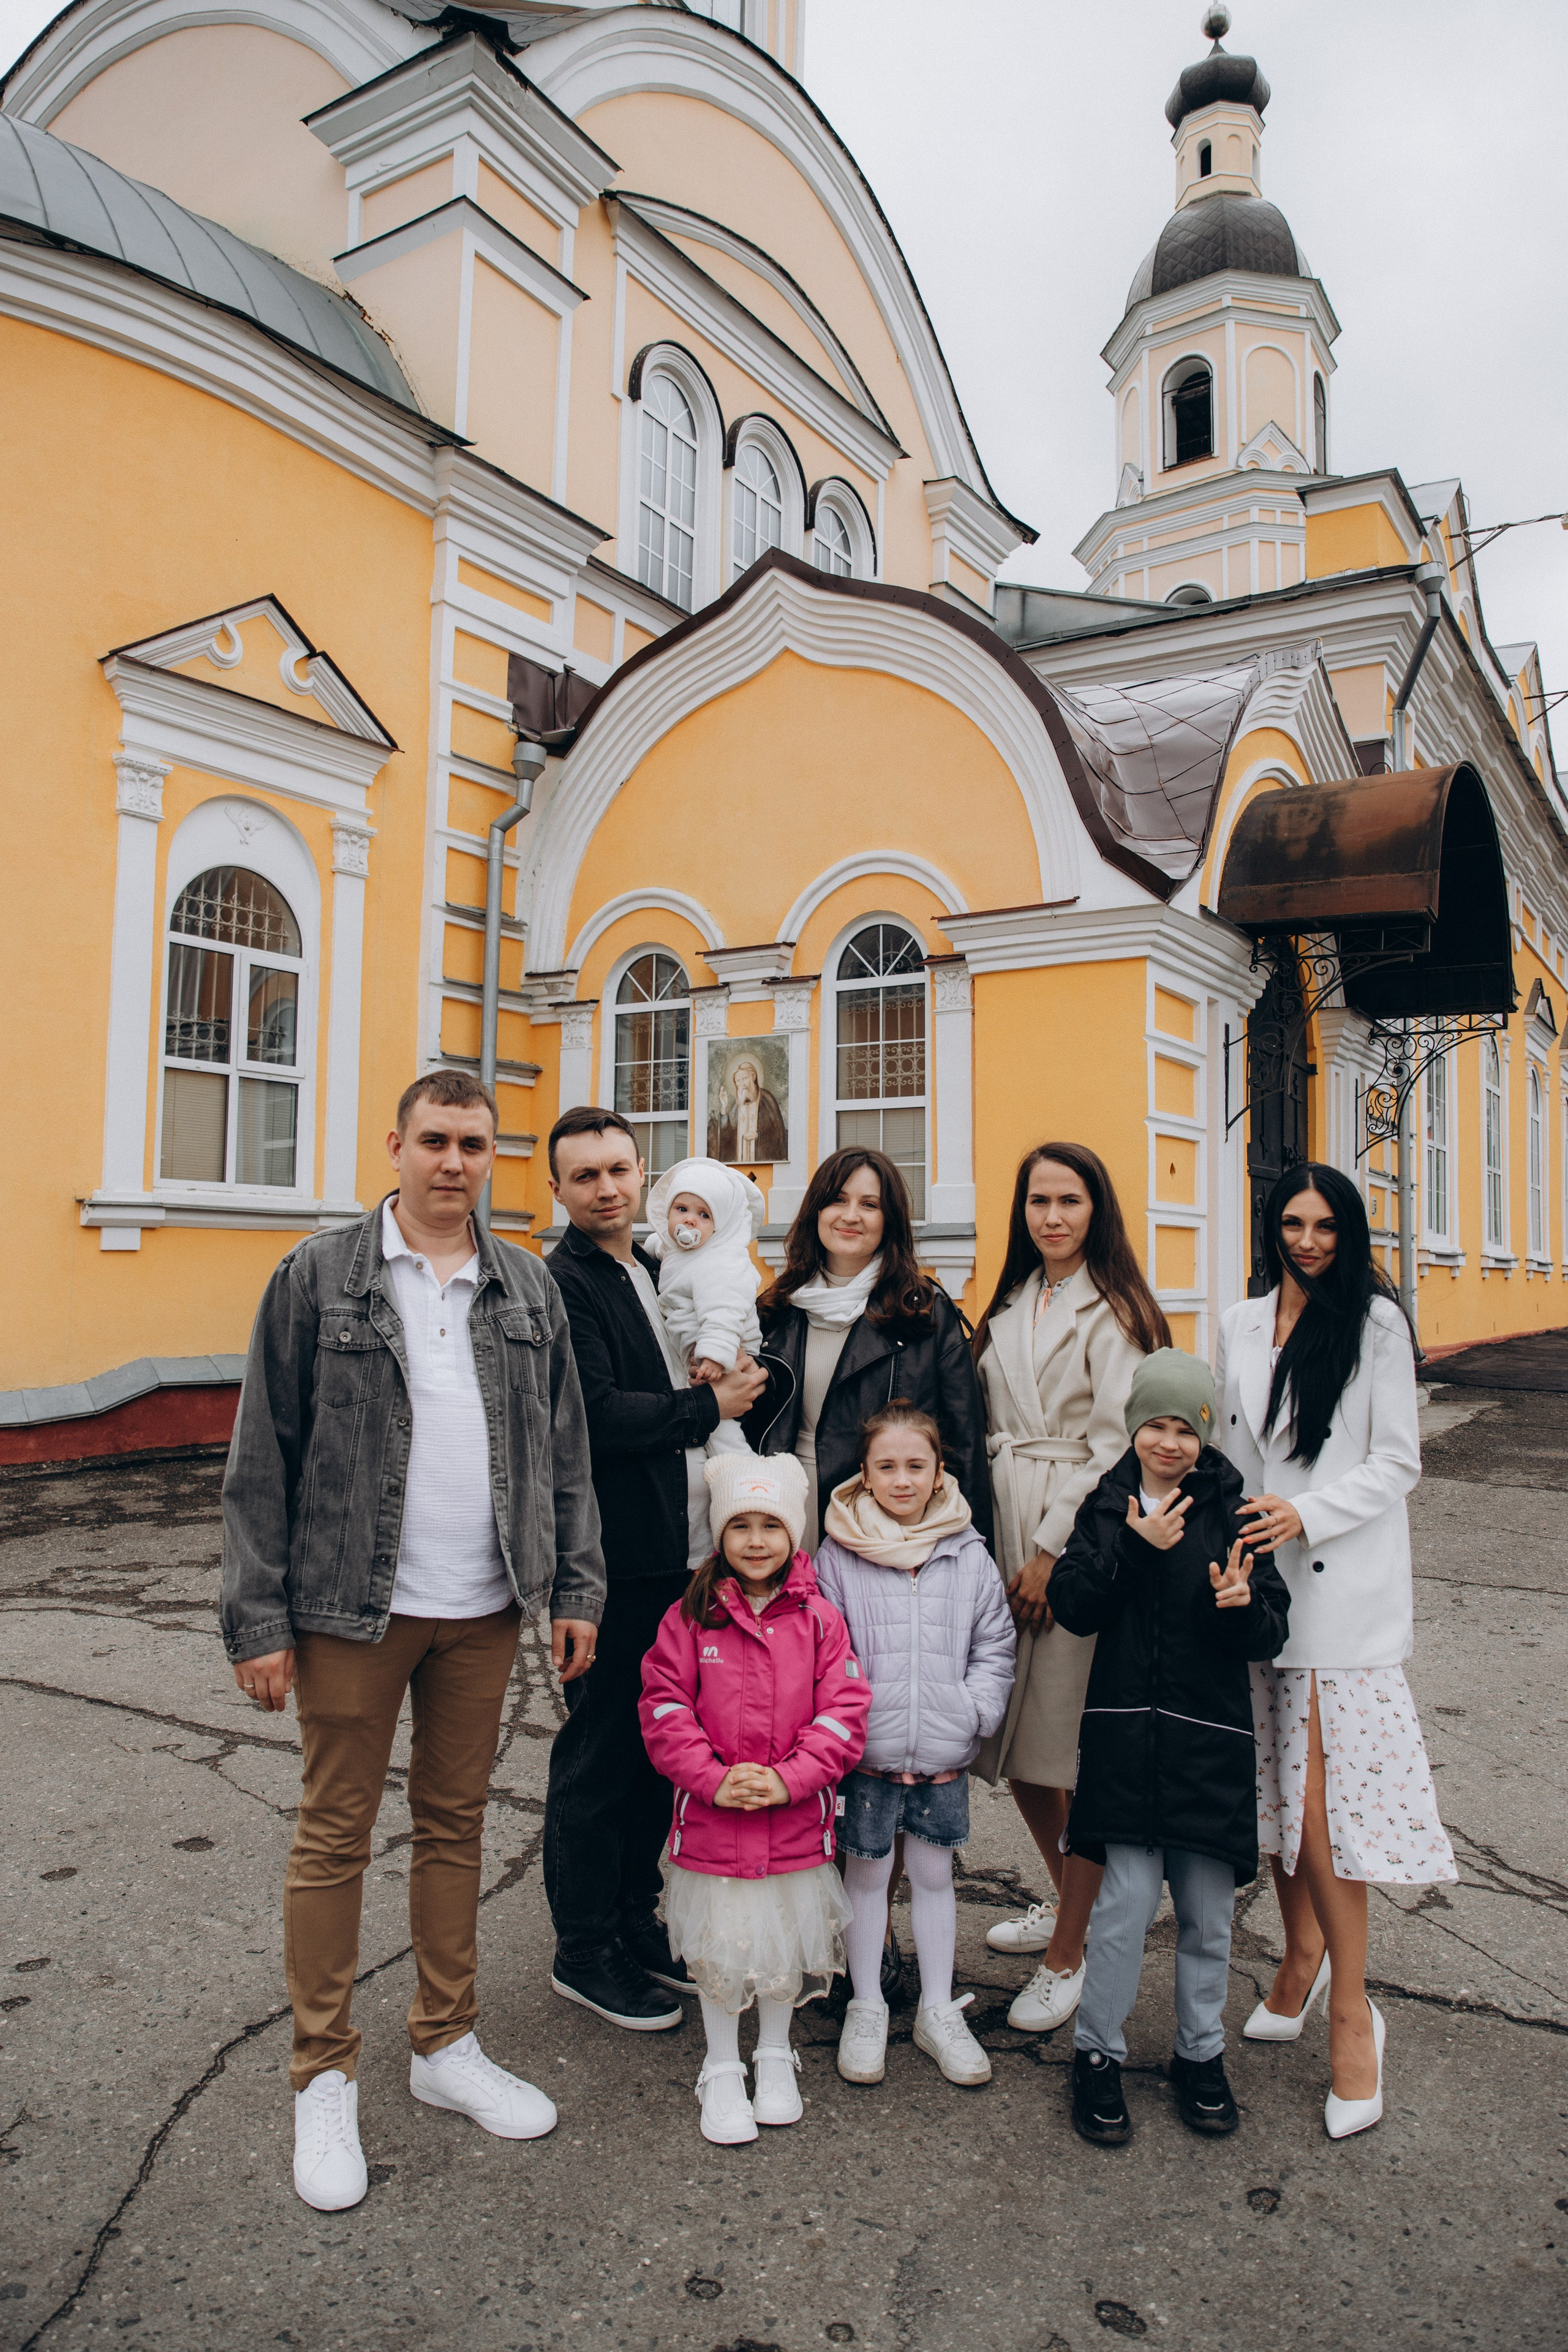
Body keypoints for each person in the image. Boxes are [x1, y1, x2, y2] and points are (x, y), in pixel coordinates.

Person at [220, 1070, 605, 2214]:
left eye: (473, 1145)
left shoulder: (528, 1283)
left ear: (495, 1155)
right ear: (394, 1145)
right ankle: (323, 2071)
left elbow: (567, 1452)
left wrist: (574, 1586)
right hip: (350, 1608)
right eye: (433, 1141)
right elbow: (261, 1456)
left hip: (484, 1605)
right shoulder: (317, 1276)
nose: (452, 1162)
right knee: (334, 1833)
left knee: (455, 1824)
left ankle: (445, 2046)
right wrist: (259, 1617)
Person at [1216, 1163, 1455, 2141]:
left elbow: (1399, 1460)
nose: (1306, 1240)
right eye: (1291, 1223)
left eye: (1324, 1226)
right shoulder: (1236, 1322)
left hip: (1335, 1592)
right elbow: (1229, 1448)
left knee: (1319, 1806)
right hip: (1253, 1592)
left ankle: (1355, 2013)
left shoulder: (1376, 1327)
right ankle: (1299, 1956)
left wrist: (1303, 1513)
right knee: (1275, 1796)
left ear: (1347, 1233)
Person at [543, 1107, 769, 2031]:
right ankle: (583, 1949)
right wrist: (703, 1404)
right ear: (558, 1188)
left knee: (655, 1753)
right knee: (599, 1755)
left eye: (619, 1170)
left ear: (643, 1173)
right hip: (613, 1560)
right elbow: (590, 1414)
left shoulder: (656, 1264)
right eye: (585, 1175)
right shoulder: (563, 1283)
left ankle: (633, 1921)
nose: (606, 1188)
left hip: (681, 1553)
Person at [1048, 1351, 1291, 2146]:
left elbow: (1270, 1626)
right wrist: (1133, 1551)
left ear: (1204, 1432)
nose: (1169, 1442)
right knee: (1119, 1913)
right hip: (1124, 1743)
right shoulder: (1109, 1504)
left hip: (1207, 1746)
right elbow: (1075, 1605)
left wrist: (1242, 1600)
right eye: (1155, 1425)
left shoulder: (1234, 1509)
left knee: (1209, 1919)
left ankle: (1200, 2056)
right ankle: (1097, 2058)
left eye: (1184, 1428)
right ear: (1134, 1427)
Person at [972, 1142, 1170, 2035]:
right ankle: (1071, 1902)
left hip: (1074, 1539)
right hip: (998, 1528)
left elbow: (1115, 1447)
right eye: (1039, 1202)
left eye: (1070, 1201)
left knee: (1067, 1750)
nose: (1052, 1217)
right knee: (1015, 1740)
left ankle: (1071, 1954)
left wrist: (1051, 1551)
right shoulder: (1014, 1297)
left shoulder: (1118, 1310)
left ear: (1098, 1210)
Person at [639, 1452, 869, 2144]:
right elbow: (665, 1707)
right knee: (722, 1950)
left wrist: (790, 1778)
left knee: (781, 1947)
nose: (757, 1540)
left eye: (772, 1524)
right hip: (713, 1827)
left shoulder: (821, 1621)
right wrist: (712, 1778)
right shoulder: (690, 1617)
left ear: (793, 1532)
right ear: (719, 1534)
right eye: (740, 1525)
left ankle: (774, 2053)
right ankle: (720, 2065)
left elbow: (843, 1712)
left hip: (793, 1823)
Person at [813, 1404, 1016, 2090]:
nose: (902, 1480)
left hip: (941, 1753)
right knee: (865, 1877)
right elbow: (823, 1646)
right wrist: (841, 1725)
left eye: (915, 1467)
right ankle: (866, 2004)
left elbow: (994, 1642)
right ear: (864, 1477)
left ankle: (936, 2007)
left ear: (938, 1474)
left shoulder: (967, 1551)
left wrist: (974, 1712)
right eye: (887, 1467)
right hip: (864, 1754)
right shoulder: (837, 1554)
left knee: (933, 1877)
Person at [747, 1146, 992, 1556]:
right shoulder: (776, 1309)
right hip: (783, 1510)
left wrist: (973, 1551)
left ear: (889, 1220)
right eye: (838, 1200)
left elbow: (963, 1442)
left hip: (880, 1518)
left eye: (870, 1204)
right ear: (816, 1212)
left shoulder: (925, 1313)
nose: (850, 1215)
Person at [644, 1156, 766, 1456]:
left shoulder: (721, 1263)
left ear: (720, 1226)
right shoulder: (679, 1249)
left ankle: (742, 1467)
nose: (689, 1221)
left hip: (726, 1347)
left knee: (719, 1422)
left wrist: (714, 1355)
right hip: (698, 1344)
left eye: (704, 1215)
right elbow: (663, 1248)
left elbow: (724, 1313)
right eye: (681, 1209)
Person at [709, 1054, 788, 1164]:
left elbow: (777, 1130)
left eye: (745, 1079)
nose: (742, 1084)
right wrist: (724, 1107)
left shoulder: (767, 1099)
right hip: (739, 1164)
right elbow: (728, 1134)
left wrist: (757, 1135)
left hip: (763, 1161)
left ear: (753, 1077)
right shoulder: (737, 1105)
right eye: (738, 1081)